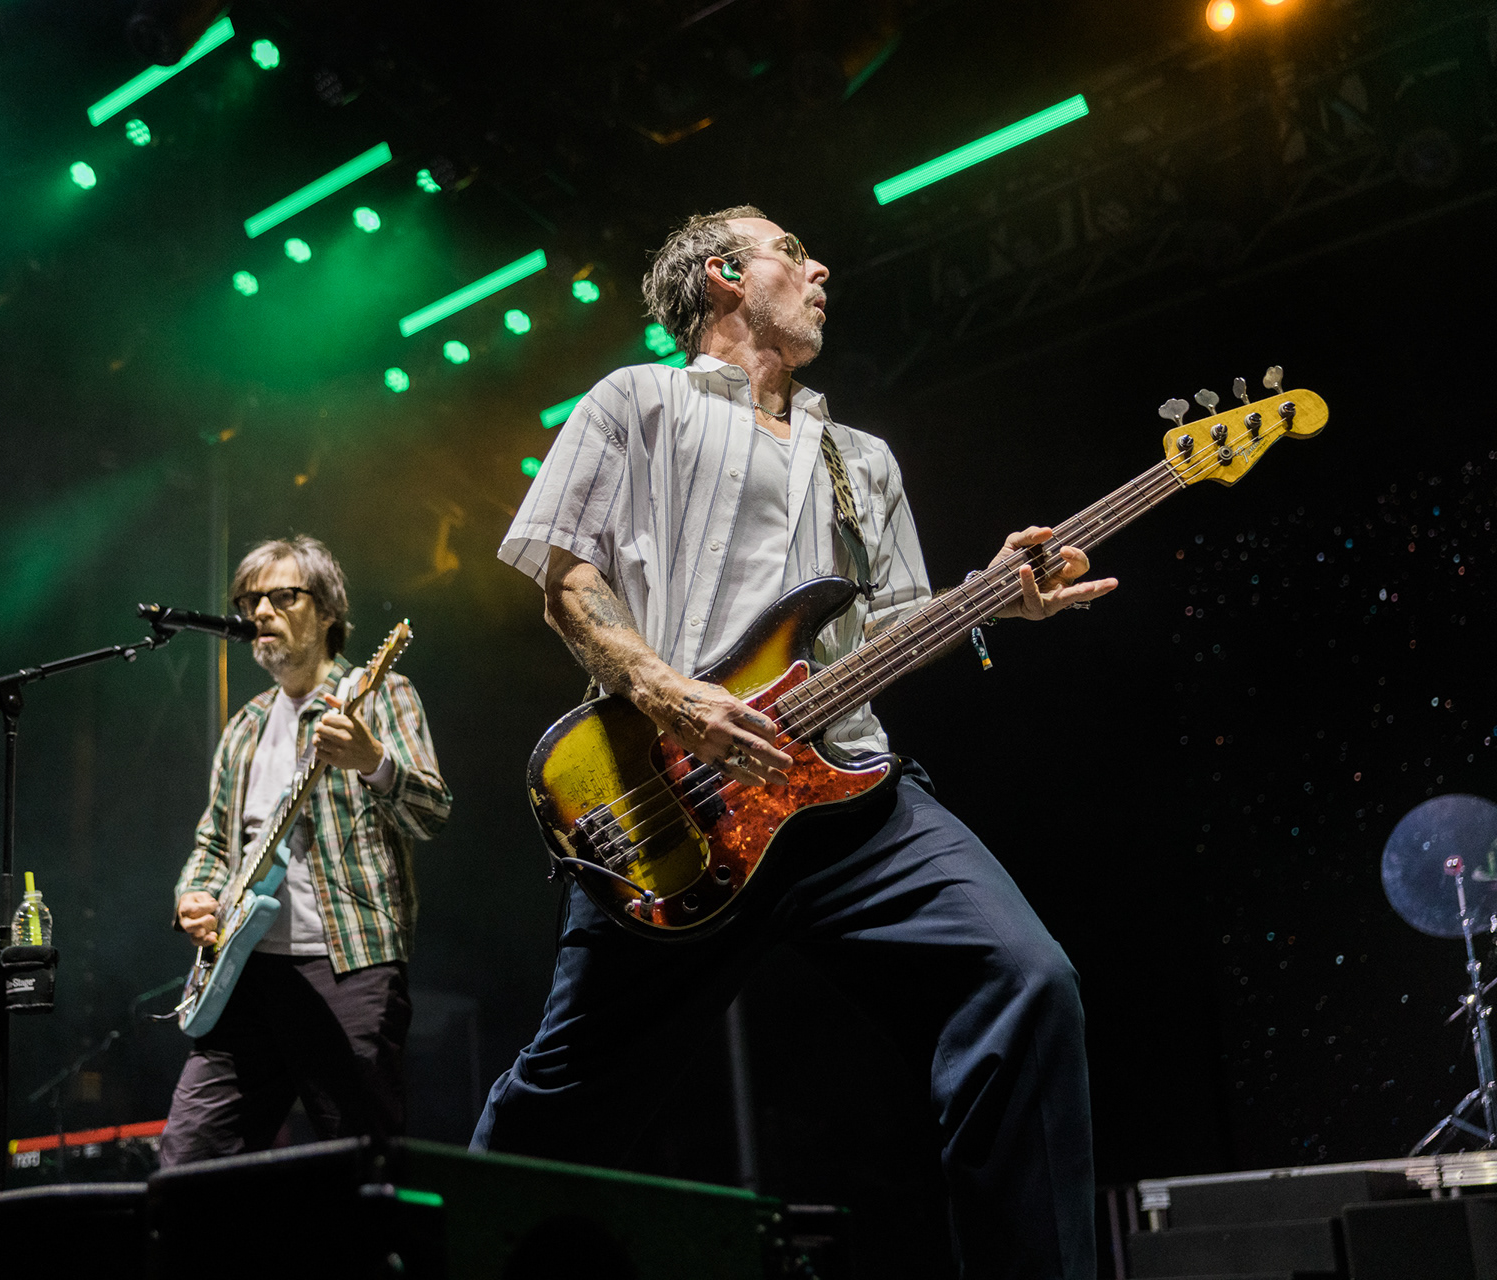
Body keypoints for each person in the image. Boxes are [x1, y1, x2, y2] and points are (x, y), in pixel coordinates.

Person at [475, 206, 1115, 1279]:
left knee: (1028, 980)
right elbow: (566, 580)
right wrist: (672, 696)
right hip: (674, 799)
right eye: (793, 253)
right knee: (563, 1101)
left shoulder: (860, 458)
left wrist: (991, 597)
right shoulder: (636, 401)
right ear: (725, 273)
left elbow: (890, 630)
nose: (822, 270)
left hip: (849, 794)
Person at [160, 535, 452, 1166]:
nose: (261, 612)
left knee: (363, 1165)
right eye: (249, 601)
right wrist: (195, 894)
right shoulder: (244, 725)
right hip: (242, 972)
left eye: (283, 597)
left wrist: (373, 761)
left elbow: (431, 812)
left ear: (327, 611)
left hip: (348, 965)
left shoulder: (382, 694)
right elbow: (213, 841)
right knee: (187, 1163)